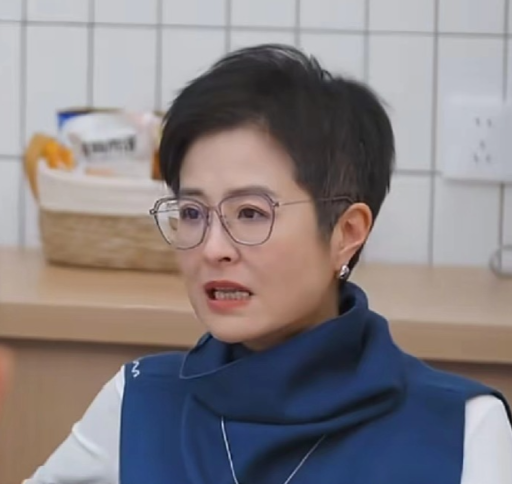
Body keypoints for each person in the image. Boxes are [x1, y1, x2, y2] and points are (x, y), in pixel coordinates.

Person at [26, 44, 512, 484]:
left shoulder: (461, 431)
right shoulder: (138, 406)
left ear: (346, 234)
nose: (213, 248)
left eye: (251, 213)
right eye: (192, 213)